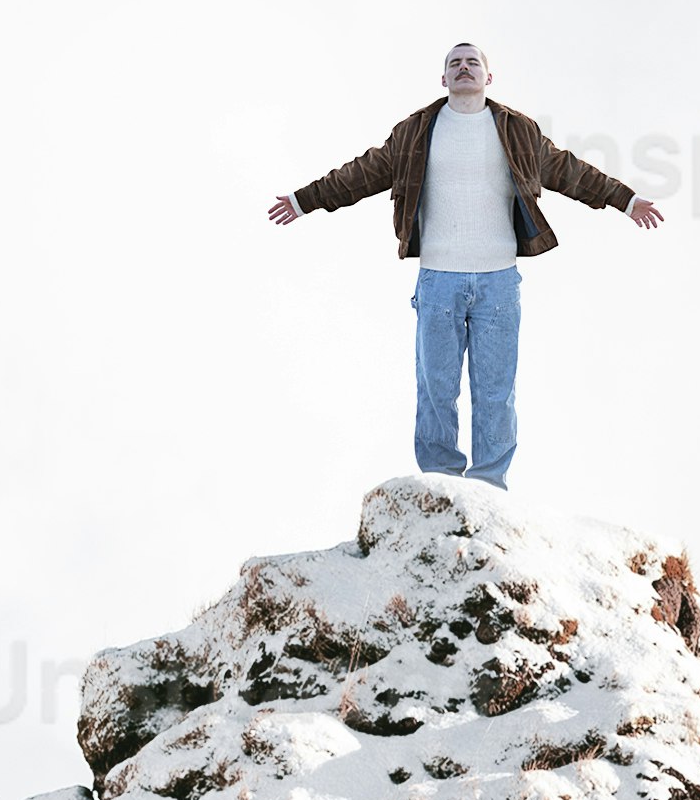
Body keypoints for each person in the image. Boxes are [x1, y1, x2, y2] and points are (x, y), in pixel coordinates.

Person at [268, 36, 664, 484]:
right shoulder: (416, 131)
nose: (463, 67)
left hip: (498, 283)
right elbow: (361, 173)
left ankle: (489, 487)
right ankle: (440, 483)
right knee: (436, 389)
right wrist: (305, 200)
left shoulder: (517, 130)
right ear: (443, 78)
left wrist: (626, 201)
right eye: (454, 62)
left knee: (495, 393)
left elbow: (571, 172)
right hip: (438, 282)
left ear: (487, 77)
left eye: (472, 62)